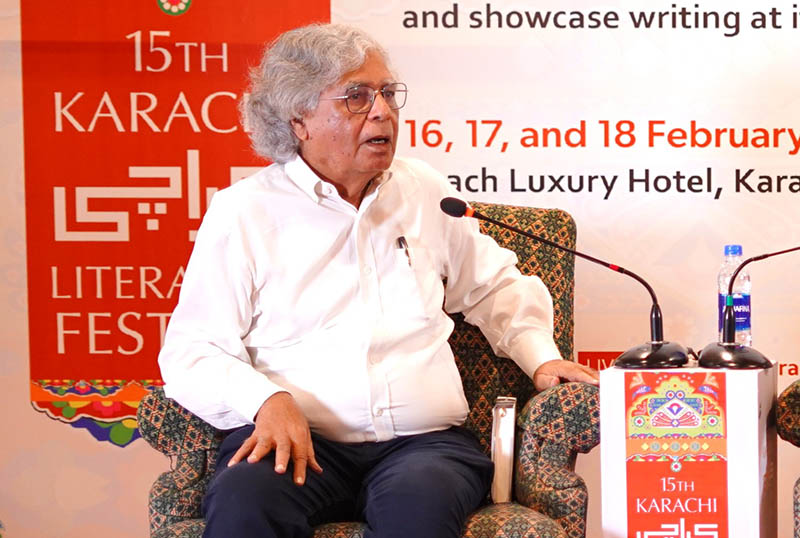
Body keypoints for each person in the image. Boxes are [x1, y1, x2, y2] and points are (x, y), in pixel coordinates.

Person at [158, 23, 598, 538]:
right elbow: (192, 350)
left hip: (423, 446)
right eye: (357, 97)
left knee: (418, 509)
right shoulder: (244, 212)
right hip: (297, 442)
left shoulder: (424, 190)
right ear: (299, 120)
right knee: (244, 504)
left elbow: (493, 284)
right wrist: (265, 401)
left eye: (388, 93)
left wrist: (541, 357)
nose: (383, 111)